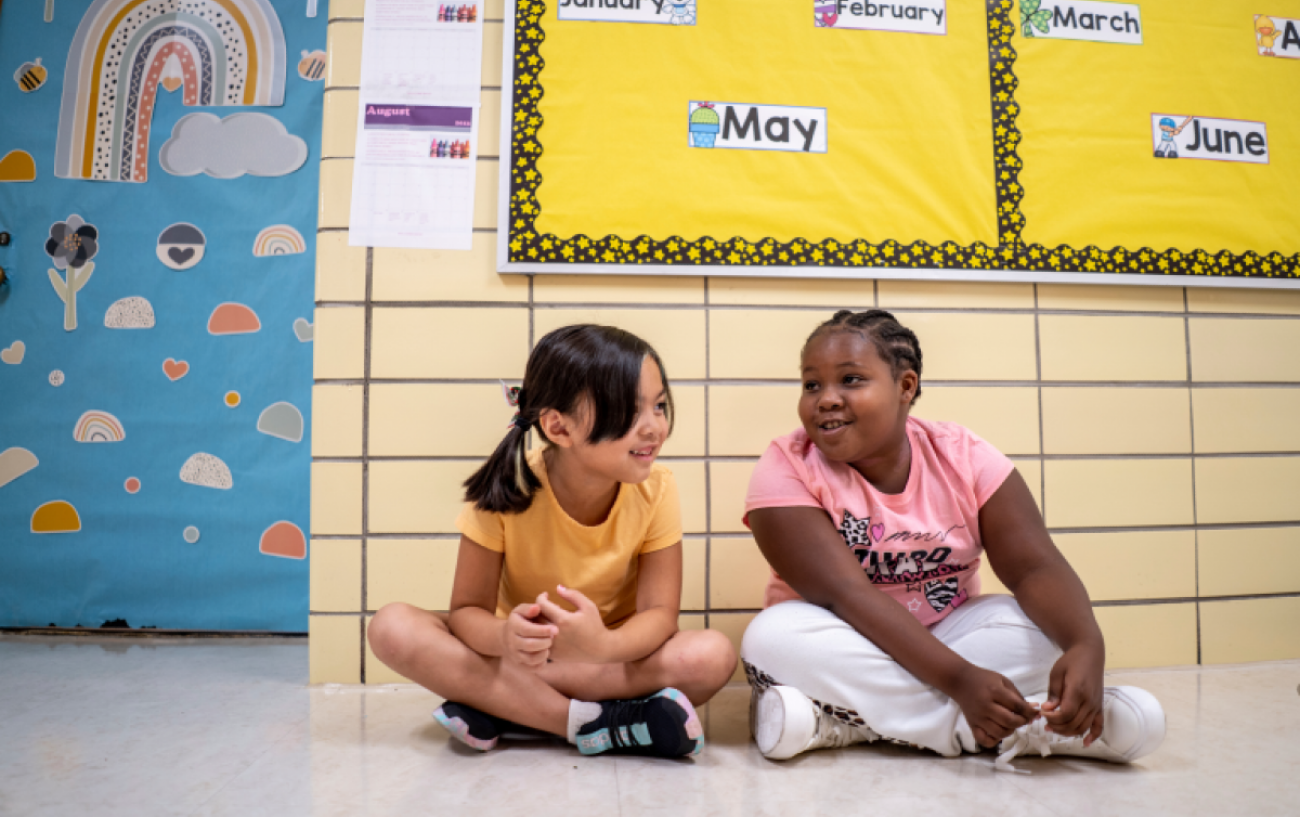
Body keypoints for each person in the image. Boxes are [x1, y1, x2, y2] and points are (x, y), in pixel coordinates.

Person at [740, 309, 1165, 771]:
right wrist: (961, 682)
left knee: (1038, 627)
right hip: (845, 636)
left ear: (906, 387)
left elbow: (1034, 568)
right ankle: (994, 728)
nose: (826, 399)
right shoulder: (786, 465)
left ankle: (852, 722)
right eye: (811, 385)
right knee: (772, 636)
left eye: (850, 380)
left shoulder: (964, 457)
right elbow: (847, 595)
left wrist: (1087, 645)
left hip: (949, 635)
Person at [368, 324, 736, 759]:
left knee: (712, 656)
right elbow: (467, 613)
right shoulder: (506, 489)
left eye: (659, 406)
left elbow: (659, 615)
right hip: (519, 655)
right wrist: (506, 637)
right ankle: (589, 723)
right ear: (559, 427)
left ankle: (502, 705)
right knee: (391, 626)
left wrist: (604, 646)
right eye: (631, 411)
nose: (654, 426)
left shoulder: (657, 489)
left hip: (606, 661)